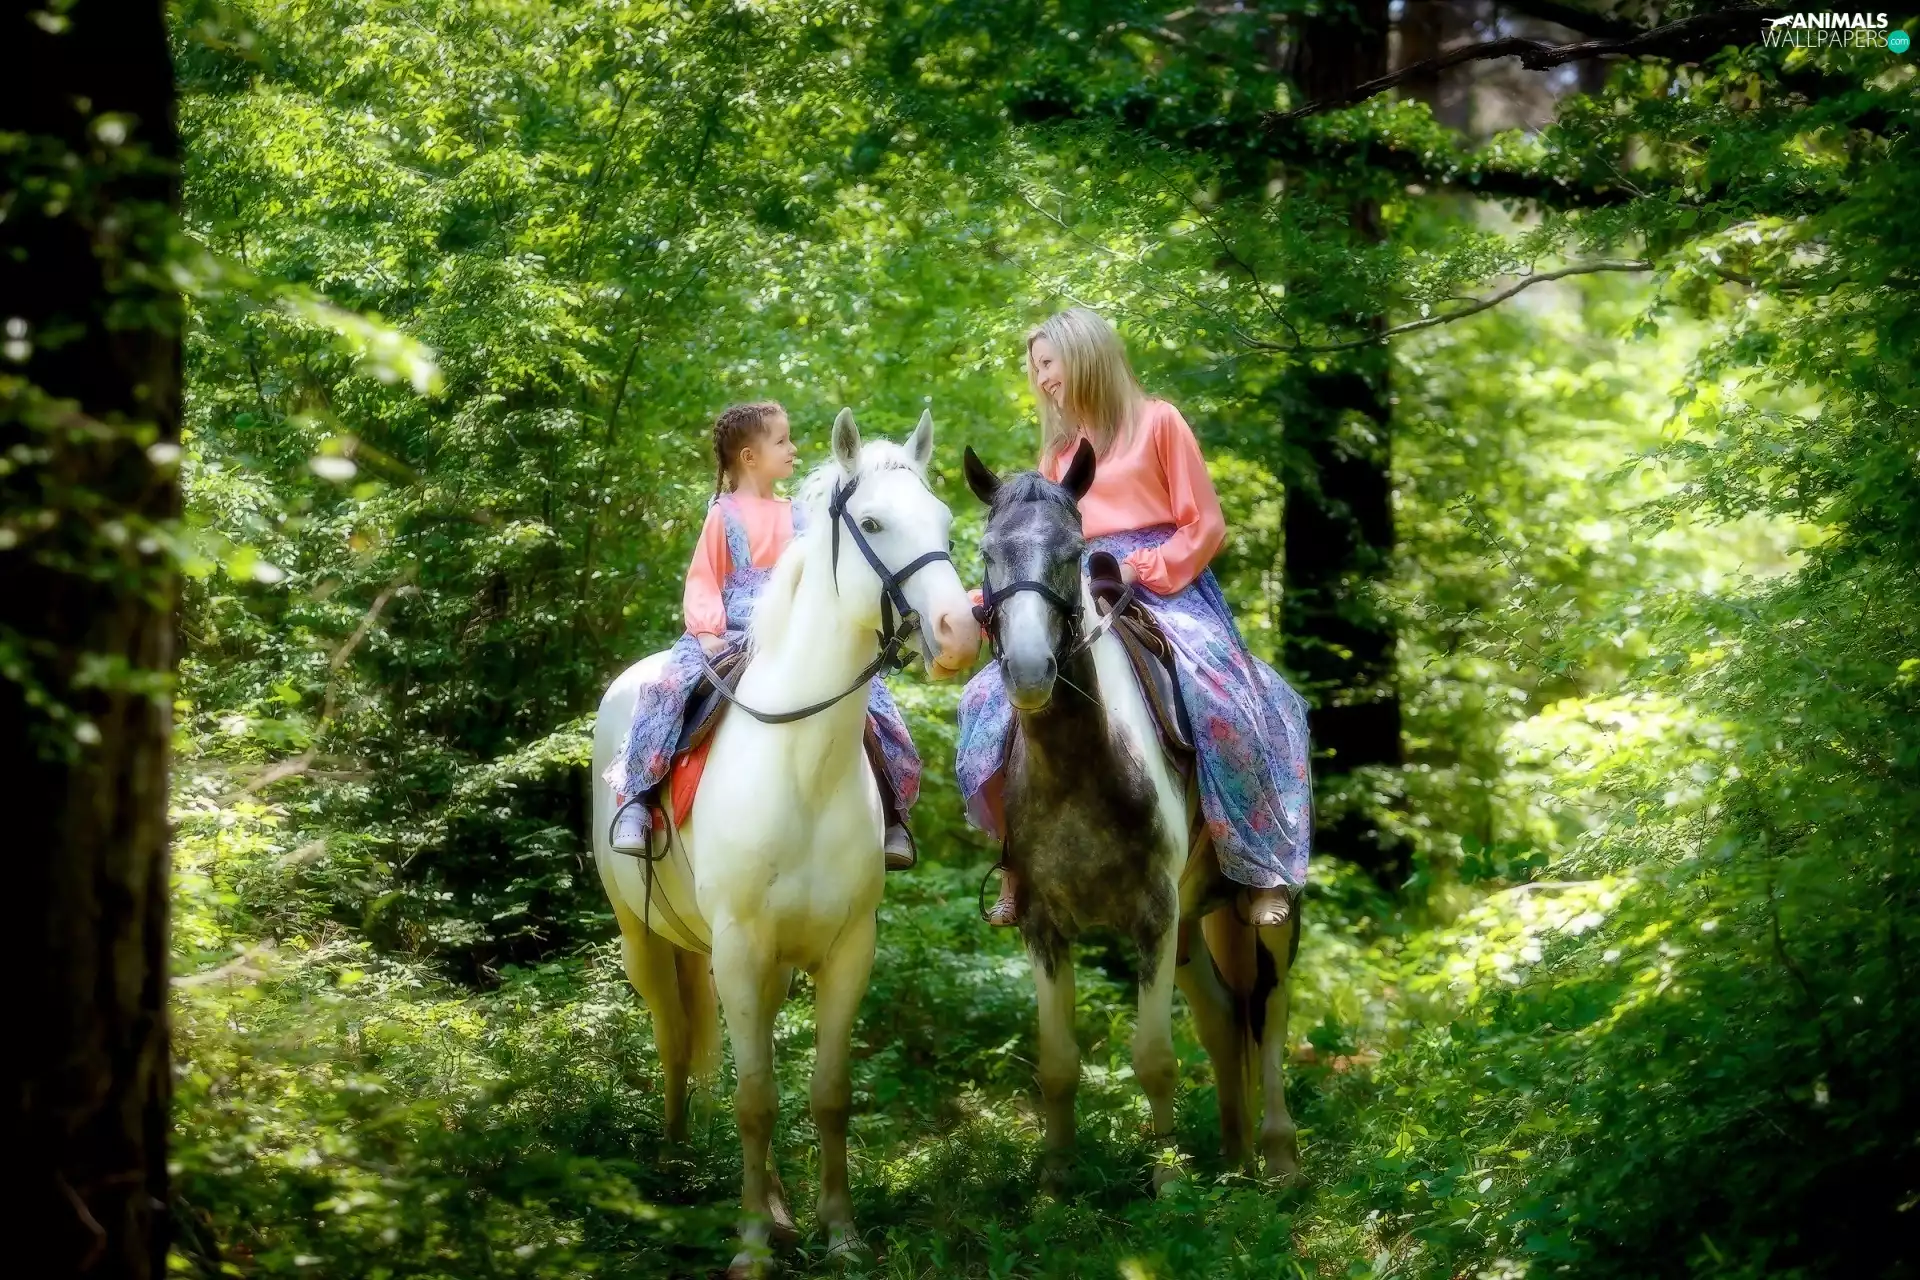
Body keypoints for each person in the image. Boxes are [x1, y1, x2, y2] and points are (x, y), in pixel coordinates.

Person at [956, 309, 1312, 927]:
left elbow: (1205, 524)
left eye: (1048, 363)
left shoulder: (1160, 422)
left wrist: (1142, 567)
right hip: (1076, 592)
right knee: (988, 700)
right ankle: (1019, 864)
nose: (1042, 379)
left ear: (1085, 355)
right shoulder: (1059, 453)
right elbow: (1043, 544)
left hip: (1164, 587)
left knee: (1225, 694)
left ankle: (1260, 868)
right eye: (1035, 368)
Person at [605, 401, 922, 866]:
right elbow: (703, 579)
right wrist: (707, 632)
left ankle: (893, 816)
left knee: (876, 705)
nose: (793, 449)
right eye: (781, 441)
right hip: (730, 631)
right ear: (750, 457)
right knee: (666, 690)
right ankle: (638, 799)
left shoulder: (802, 517)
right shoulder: (724, 514)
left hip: (796, 632)